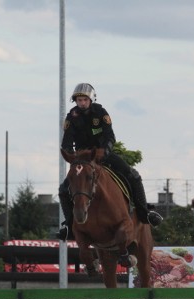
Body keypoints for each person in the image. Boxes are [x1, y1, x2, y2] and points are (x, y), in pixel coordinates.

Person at [57, 82, 163, 240]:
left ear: (90, 100)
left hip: (102, 154)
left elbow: (110, 137)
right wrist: (73, 157)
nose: (82, 103)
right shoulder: (71, 117)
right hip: (83, 159)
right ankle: (70, 227)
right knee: (63, 190)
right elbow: (66, 142)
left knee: (133, 175)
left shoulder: (100, 113)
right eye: (79, 100)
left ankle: (144, 214)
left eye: (84, 100)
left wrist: (104, 152)